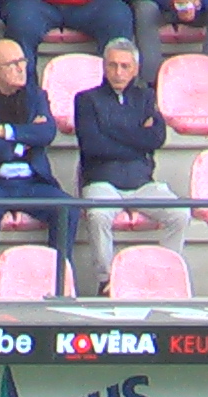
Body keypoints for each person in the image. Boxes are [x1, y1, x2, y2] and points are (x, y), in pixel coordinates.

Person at [0, 40, 78, 297]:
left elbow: (47, 133)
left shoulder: (36, 96)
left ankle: (58, 277)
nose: (22, 69)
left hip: (31, 181)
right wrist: (21, 143)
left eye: (23, 62)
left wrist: (5, 131)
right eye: (13, 64)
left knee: (67, 208)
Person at [74, 39, 188, 297]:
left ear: (135, 69)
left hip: (142, 182)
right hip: (102, 181)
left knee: (180, 214)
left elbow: (157, 138)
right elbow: (93, 145)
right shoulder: (86, 99)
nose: (118, 72)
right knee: (98, 215)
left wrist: (111, 129)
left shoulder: (146, 97)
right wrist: (136, 136)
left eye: (125, 66)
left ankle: (164, 276)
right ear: (104, 67)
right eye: (113, 65)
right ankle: (106, 281)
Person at [0, 0, 132, 69]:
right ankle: (25, 103)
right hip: (35, 4)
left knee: (118, 18)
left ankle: (116, 102)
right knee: (21, 23)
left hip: (94, 5)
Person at [132, 0, 208, 86]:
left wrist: (199, 3)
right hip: (161, 9)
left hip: (201, 10)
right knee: (145, 9)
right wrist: (172, 2)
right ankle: (151, 83)